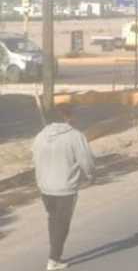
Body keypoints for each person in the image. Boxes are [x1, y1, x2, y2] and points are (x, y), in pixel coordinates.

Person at [33, 103, 96, 271]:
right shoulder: (75, 136)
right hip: (65, 188)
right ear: (68, 117)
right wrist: (91, 176)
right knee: (63, 223)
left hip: (45, 187)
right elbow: (87, 161)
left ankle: (54, 254)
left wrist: (41, 181)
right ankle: (53, 259)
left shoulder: (40, 136)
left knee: (53, 220)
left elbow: (35, 160)